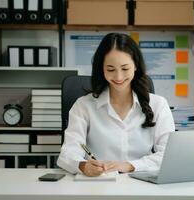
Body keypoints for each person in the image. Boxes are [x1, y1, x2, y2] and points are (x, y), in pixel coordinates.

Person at [57, 33, 175, 177]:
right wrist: (83, 165)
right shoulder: (83, 106)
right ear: (102, 68)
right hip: (97, 185)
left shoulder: (158, 105)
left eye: (125, 69)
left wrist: (130, 165)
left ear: (136, 66)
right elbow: (68, 152)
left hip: (141, 186)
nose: (118, 77)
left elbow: (169, 155)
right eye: (111, 69)